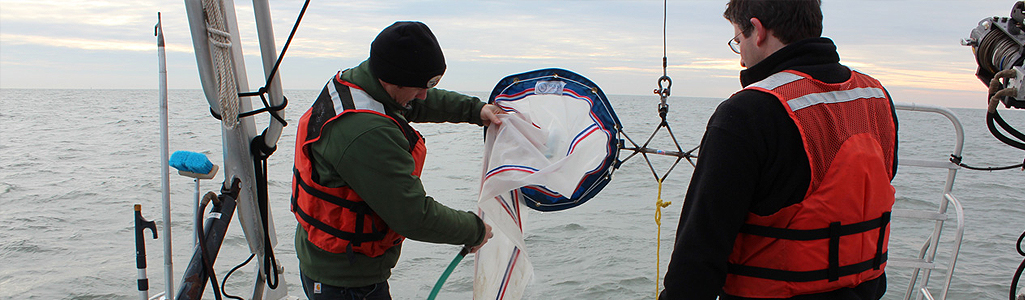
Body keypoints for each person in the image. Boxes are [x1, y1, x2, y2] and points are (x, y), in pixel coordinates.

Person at [660, 0, 898, 299]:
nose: (742, 59)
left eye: (737, 40)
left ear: (757, 31)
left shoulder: (748, 112)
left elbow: (701, 251)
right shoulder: (876, 97)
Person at [291, 21, 498, 300]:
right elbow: (413, 217)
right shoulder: (365, 133)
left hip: (324, 262)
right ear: (393, 79)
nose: (425, 94)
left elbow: (416, 101)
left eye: (432, 83)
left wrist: (476, 110)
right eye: (422, 85)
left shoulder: (358, 83)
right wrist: (474, 230)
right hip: (348, 283)